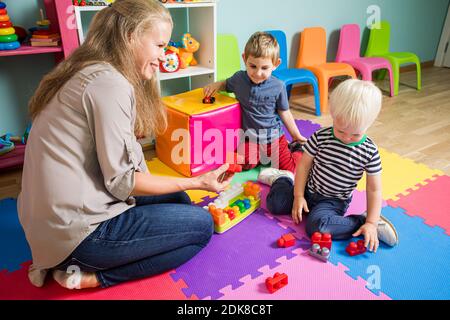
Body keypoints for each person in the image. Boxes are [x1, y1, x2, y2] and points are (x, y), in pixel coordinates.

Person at [17, 0, 233, 290]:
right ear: (130, 36)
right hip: (79, 236)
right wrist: (197, 181)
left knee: (179, 204)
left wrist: (186, 187)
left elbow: (123, 166)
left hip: (51, 226)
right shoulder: (110, 84)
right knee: (201, 226)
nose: (163, 55)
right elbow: (123, 182)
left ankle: (61, 261)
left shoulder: (87, 70)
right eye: (159, 46)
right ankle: (91, 276)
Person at [260, 79, 399, 252]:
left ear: (369, 124)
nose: (346, 138)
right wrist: (298, 195)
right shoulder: (321, 137)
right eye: (341, 131)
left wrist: (371, 221)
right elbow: (303, 166)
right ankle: (282, 178)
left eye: (355, 134)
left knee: (317, 228)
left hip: (333, 202)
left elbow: (374, 189)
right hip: (308, 189)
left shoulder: (369, 151)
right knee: (274, 204)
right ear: (333, 115)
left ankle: (364, 221)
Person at [204, 32, 307, 173]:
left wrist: (296, 135)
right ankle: (261, 157)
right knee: (244, 164)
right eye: (253, 66)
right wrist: (215, 85)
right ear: (244, 58)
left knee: (290, 169)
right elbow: (226, 84)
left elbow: (285, 112)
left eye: (264, 68)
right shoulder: (239, 79)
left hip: (274, 138)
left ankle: (296, 149)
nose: (258, 73)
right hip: (250, 138)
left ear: (276, 64)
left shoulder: (278, 86)